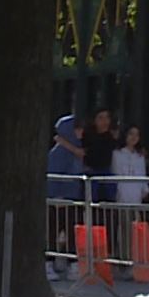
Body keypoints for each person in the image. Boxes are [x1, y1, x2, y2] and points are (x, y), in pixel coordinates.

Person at [47, 114, 85, 276]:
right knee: (53, 232)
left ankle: (69, 263)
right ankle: (49, 263)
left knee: (70, 232)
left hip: (71, 197)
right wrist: (57, 195)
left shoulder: (73, 151)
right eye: (77, 128)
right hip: (60, 198)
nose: (80, 132)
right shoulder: (58, 153)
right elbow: (53, 177)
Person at [113, 125, 149, 277]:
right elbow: (115, 173)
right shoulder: (117, 154)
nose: (134, 137)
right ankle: (123, 261)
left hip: (136, 196)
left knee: (133, 230)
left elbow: (142, 175)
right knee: (123, 230)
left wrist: (144, 190)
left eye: (137, 134)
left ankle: (132, 262)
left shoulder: (139, 156)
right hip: (122, 194)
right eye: (130, 134)